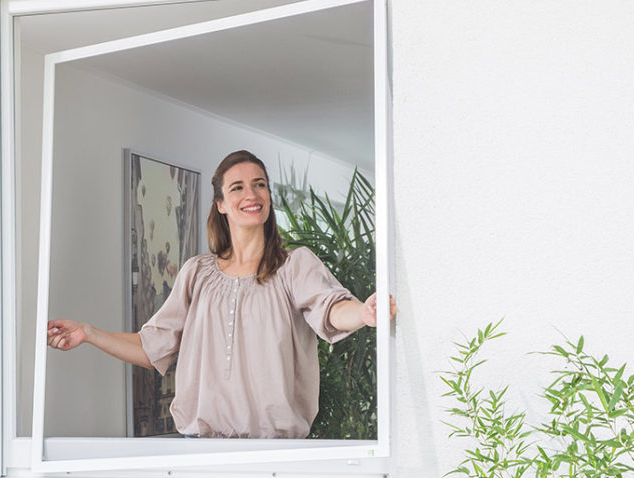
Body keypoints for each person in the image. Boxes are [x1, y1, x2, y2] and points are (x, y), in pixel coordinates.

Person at [47, 149, 395, 438]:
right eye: (238, 188)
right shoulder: (196, 273)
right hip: (198, 448)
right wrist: (88, 333)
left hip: (273, 454)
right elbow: (151, 346)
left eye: (259, 185)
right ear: (221, 204)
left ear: (269, 198)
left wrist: (364, 313)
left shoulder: (295, 266)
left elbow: (331, 308)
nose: (251, 195)